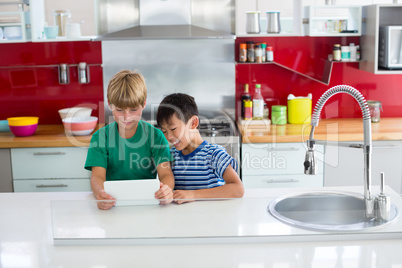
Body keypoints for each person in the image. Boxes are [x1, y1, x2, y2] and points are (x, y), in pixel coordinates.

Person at [85, 70, 174, 210]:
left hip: (146, 205)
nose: (126, 117)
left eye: (133, 110)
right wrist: (100, 194)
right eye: (120, 110)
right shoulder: (100, 137)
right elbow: (97, 177)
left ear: (143, 104)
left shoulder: (156, 136)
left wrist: (167, 190)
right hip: (112, 205)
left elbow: (166, 174)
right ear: (110, 104)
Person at [156, 93, 244, 204]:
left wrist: (193, 194)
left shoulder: (214, 154)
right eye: (164, 131)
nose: (168, 137)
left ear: (193, 123)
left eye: (173, 129)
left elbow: (238, 189)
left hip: (211, 217)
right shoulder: (171, 156)